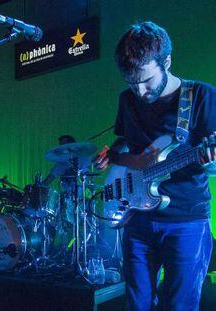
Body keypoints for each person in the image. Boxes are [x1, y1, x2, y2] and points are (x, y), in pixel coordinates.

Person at [95, 21, 216, 310]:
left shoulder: (201, 96)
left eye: (146, 80)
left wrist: (210, 161)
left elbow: (212, 167)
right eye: (131, 82)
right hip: (137, 216)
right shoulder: (127, 99)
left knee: (180, 305)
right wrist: (111, 154)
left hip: (186, 218)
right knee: (136, 303)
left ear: (167, 62)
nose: (139, 90)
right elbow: (126, 141)